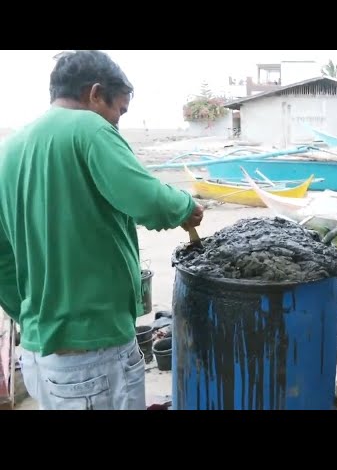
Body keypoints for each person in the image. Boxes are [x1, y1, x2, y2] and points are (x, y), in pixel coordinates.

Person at [0, 50, 204, 410]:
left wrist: (34, 317)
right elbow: (147, 200)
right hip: (93, 355)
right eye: (119, 111)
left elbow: (3, 261)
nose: (116, 123)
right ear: (95, 94)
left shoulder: (10, 150)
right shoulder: (89, 127)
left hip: (39, 356)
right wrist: (186, 208)